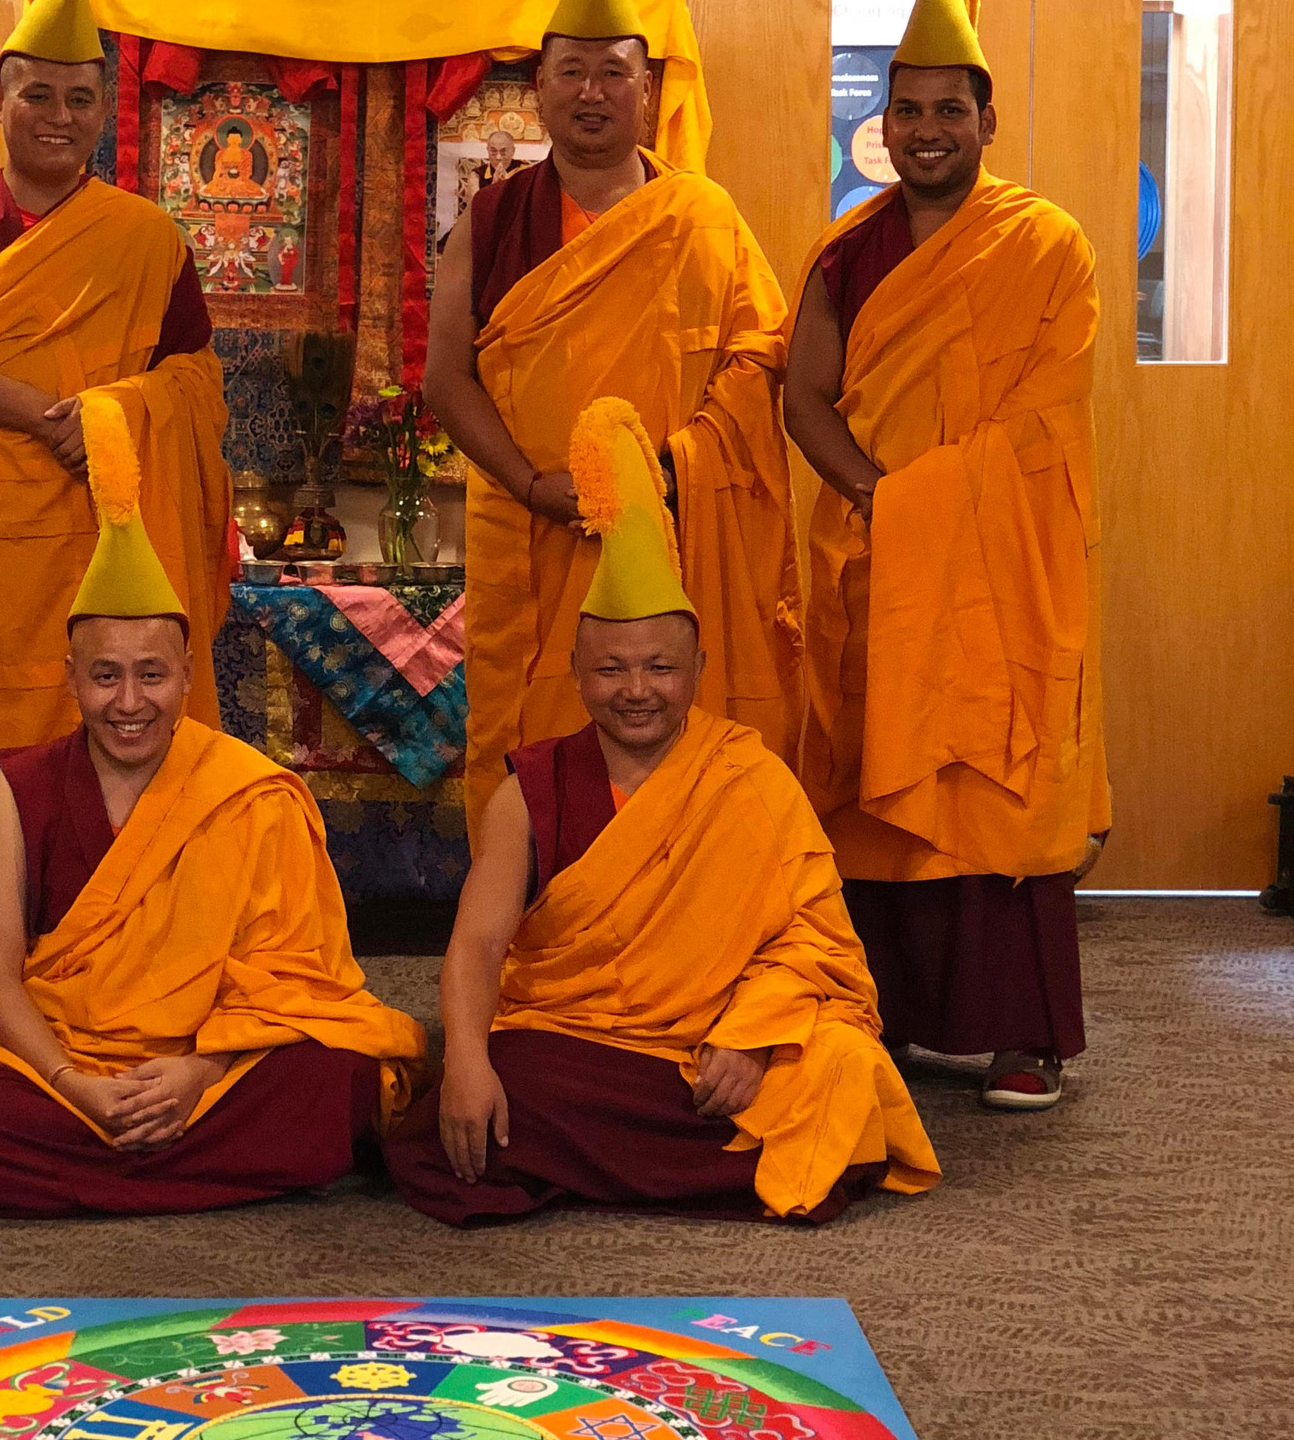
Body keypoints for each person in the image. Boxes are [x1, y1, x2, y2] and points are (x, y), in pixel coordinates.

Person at [384, 399, 938, 1227]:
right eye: (612, 668)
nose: (637, 691)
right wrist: (464, 1058)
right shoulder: (529, 789)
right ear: (576, 671)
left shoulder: (748, 776)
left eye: (660, 668)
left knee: (843, 1064)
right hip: (582, 1042)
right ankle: (698, 1167)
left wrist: (754, 1035)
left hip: (718, 1043)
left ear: (698, 668)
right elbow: (477, 943)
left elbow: (816, 943)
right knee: (495, 1081)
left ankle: (588, 1162)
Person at [0, 397, 426, 1217]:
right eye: (105, 675)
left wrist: (199, 1074)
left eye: (151, 674)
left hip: (216, 1063)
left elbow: (294, 981)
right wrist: (76, 1083)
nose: (129, 702)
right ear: (70, 677)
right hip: (70, 1059)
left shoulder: (249, 793)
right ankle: (208, 1167)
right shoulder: (18, 793)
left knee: (344, 1079)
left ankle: (112, 1169)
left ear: (188, 673)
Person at [0, 0, 231, 1067]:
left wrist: (117, 414)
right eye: (37, 92)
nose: (58, 114)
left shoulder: (143, 237)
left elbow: (195, 382)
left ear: (104, 113)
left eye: (81, 97)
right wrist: (58, 417)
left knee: (89, 752)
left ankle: (93, 970)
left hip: (100, 545)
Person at [783, 0, 1108, 1111]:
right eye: (909, 110)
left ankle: (1024, 1037)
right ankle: (891, 1018)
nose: (928, 130)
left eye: (949, 112)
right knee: (873, 780)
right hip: (876, 554)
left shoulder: (1048, 245)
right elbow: (806, 398)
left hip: (1003, 564)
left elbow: (1045, 415)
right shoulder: (844, 250)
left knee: (995, 778)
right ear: (884, 122)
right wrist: (883, 500)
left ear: (988, 120)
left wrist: (929, 504)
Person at [425, 0, 803, 840]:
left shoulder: (704, 217)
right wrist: (530, 484)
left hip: (677, 530)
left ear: (646, 89)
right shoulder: (489, 224)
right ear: (540, 87)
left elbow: (759, 359)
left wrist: (666, 471)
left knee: (682, 740)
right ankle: (549, 938)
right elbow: (445, 380)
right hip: (535, 536)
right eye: (571, 72)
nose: (591, 93)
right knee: (539, 742)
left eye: (613, 73)